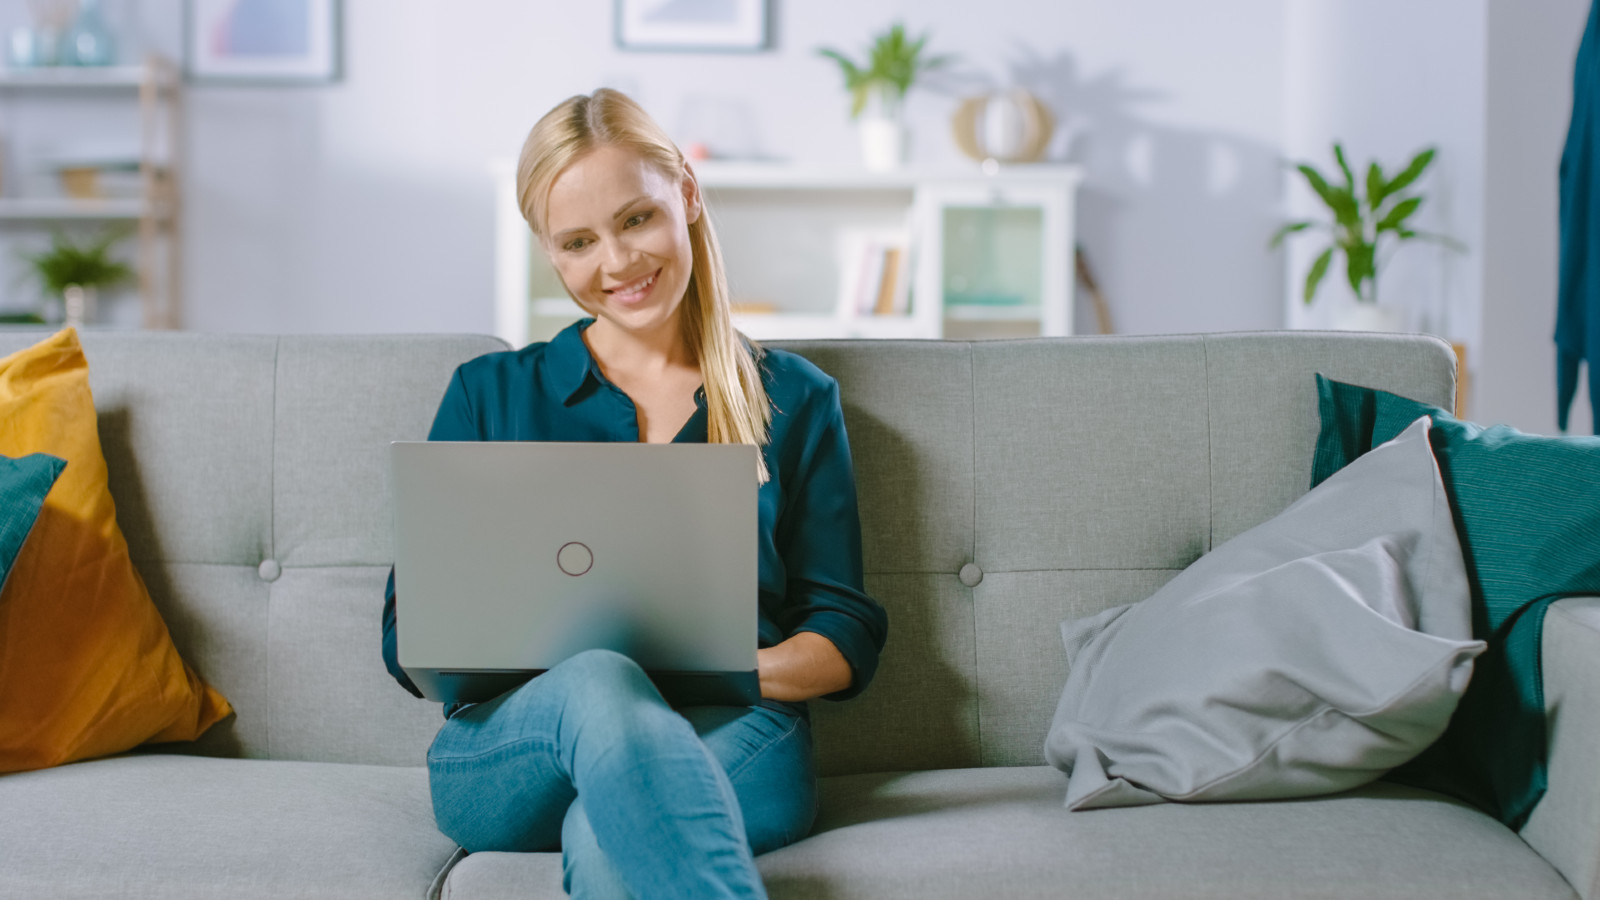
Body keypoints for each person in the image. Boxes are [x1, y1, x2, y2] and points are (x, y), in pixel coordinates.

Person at [379, 88, 889, 899]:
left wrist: (703, 673)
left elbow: (840, 635)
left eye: (637, 220)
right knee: (596, 681)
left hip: (735, 736)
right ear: (552, 254)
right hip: (517, 751)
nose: (617, 264)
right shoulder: (487, 394)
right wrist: (612, 674)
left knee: (614, 837)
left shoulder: (794, 398)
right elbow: (410, 630)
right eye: (578, 242)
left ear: (686, 195)